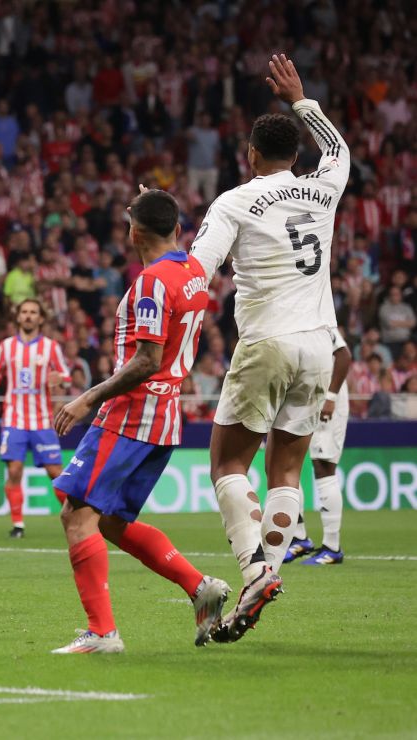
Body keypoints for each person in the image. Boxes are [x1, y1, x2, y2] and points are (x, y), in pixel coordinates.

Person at [190, 55, 350, 643]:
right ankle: (269, 577)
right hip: (319, 345)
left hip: (267, 342)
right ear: (297, 155)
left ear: (251, 155)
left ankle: (255, 570)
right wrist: (301, 98)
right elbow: (340, 151)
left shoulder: (233, 202)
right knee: (287, 468)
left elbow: (197, 271)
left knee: (228, 462)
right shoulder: (324, 188)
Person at [50, 188, 230, 654]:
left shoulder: (152, 282)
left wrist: (87, 398)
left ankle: (102, 633)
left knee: (76, 514)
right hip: (165, 417)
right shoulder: (192, 271)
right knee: (109, 522)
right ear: (174, 227)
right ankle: (199, 586)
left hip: (131, 413)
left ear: (134, 231)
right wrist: (154, 204)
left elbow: (147, 359)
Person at [0, 298, 71, 538]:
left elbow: (66, 375)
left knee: (55, 473)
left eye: (33, 312)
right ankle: (18, 525)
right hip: (14, 419)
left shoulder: (50, 347)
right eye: (25, 312)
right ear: (18, 317)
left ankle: (72, 518)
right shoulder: (6, 347)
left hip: (42, 420)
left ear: (40, 319)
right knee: (15, 470)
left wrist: (59, 379)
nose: (28, 316)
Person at [286, 327, 352, 566]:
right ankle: (299, 538)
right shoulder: (291, 319)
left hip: (326, 398)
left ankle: (332, 548)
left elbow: (344, 356)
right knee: (288, 463)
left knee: (323, 466)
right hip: (302, 395)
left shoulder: (320, 318)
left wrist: (331, 397)